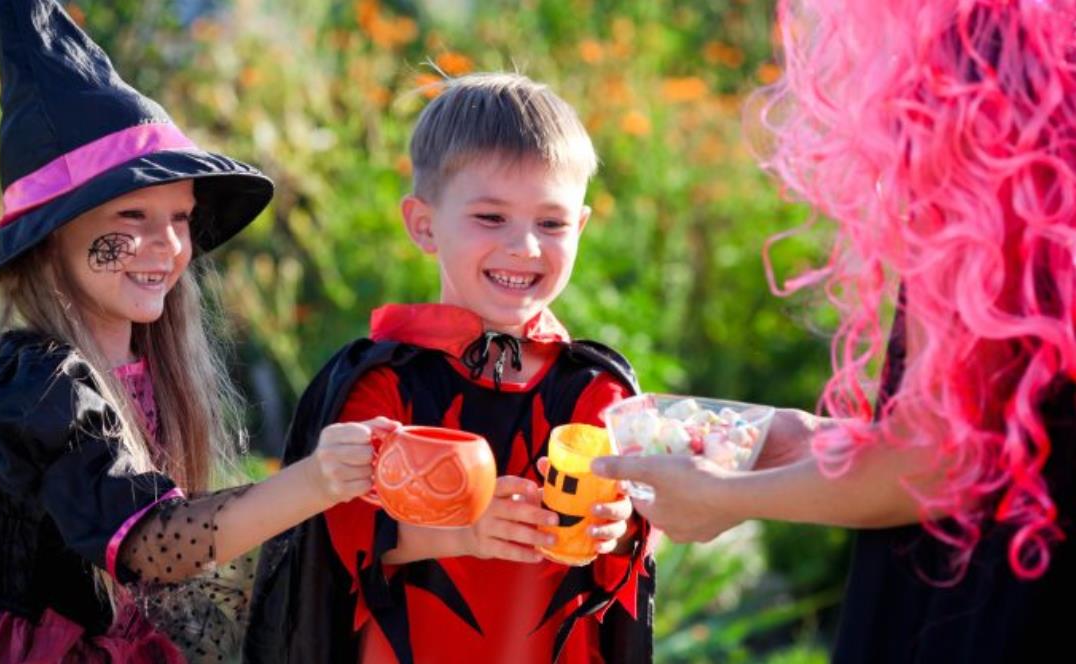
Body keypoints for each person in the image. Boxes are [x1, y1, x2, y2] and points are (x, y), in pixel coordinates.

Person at [0, 1, 394, 661]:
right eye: (133, 214)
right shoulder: (37, 382)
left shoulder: (145, 361)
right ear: (50, 239)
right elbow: (156, 548)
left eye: (180, 218)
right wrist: (315, 480)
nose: (167, 246)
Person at [592, 1, 1076, 661]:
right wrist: (807, 441)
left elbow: (936, 463)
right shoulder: (1048, 83)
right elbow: (997, 438)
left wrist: (726, 495)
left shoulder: (975, 78)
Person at [245, 73, 655, 664]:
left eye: (552, 222)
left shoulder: (595, 389)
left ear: (581, 227)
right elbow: (341, 542)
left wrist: (618, 526)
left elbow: (628, 559)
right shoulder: (384, 382)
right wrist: (462, 531)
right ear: (423, 224)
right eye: (491, 217)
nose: (525, 247)